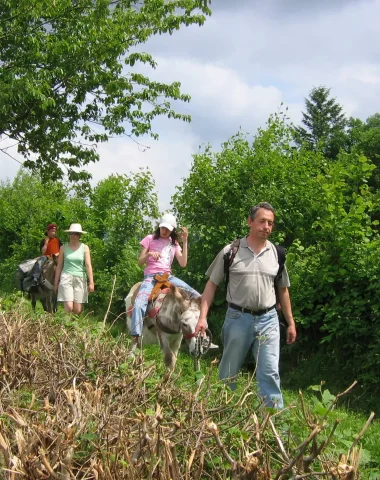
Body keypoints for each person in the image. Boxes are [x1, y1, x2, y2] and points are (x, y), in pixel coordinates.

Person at [195, 202, 296, 408]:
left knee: (269, 373)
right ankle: (221, 415)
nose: (266, 226)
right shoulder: (230, 251)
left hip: (269, 320)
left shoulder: (277, 254)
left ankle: (273, 427)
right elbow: (211, 285)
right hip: (237, 318)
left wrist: (291, 322)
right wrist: (202, 318)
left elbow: (283, 290)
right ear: (250, 222)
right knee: (228, 372)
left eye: (270, 223)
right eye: (261, 221)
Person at [130, 213, 200, 353]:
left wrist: (185, 242)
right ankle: (135, 340)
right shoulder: (150, 239)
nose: (164, 231)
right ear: (159, 227)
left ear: (172, 230)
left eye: (167, 229)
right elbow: (139, 262)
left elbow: (183, 263)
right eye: (162, 227)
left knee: (197, 296)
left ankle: (199, 330)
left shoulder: (173, 243)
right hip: (151, 277)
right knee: (139, 304)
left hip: (168, 276)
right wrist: (149, 254)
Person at [54, 223, 94, 315]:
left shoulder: (85, 248)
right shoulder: (63, 247)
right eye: (71, 233)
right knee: (68, 307)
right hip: (66, 277)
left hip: (80, 278)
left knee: (77, 310)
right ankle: (65, 326)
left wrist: (91, 282)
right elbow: (59, 266)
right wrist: (56, 283)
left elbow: (88, 265)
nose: (73, 236)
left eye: (75, 233)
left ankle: (72, 327)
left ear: (79, 235)